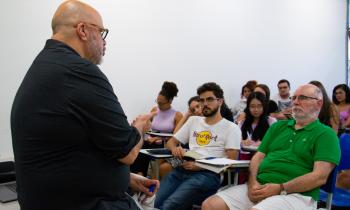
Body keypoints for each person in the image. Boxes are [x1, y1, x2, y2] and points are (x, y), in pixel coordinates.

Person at [10, 1, 159, 210]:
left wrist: (126, 178)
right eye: (102, 33)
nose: (104, 42)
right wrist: (142, 125)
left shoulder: (47, 65)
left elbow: (70, 151)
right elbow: (128, 151)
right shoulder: (78, 71)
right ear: (83, 30)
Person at [202, 84, 341, 210]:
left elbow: (319, 177)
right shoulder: (278, 127)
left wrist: (280, 188)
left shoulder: (326, 134)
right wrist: (252, 184)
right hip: (260, 186)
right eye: (294, 98)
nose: (296, 102)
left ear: (319, 103)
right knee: (210, 205)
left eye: (303, 98)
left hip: (297, 195)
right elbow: (258, 157)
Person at [154, 82, 241, 210]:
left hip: (208, 175)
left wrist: (201, 165)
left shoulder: (231, 128)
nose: (205, 103)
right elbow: (171, 142)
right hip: (182, 167)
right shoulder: (194, 121)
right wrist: (175, 149)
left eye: (210, 99)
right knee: (156, 203)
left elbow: (231, 161)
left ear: (220, 101)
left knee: (169, 206)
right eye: (202, 100)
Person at [131, 81, 183, 176]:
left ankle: (143, 179)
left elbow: (177, 137)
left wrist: (157, 138)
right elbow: (147, 127)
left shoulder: (177, 115)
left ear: (170, 101)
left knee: (145, 154)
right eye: (157, 102)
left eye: (161, 103)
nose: (159, 105)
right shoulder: (155, 110)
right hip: (151, 141)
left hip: (165, 145)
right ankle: (139, 176)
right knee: (135, 149)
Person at [159, 96, 203, 178]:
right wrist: (187, 115)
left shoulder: (212, 122)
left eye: (198, 106)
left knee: (164, 166)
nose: (196, 111)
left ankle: (156, 186)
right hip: (188, 154)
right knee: (162, 160)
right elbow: (176, 135)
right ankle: (156, 186)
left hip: (200, 157)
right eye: (193, 110)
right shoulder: (193, 121)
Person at [238, 92, 276, 183]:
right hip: (245, 158)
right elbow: (237, 141)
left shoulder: (272, 122)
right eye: (252, 106)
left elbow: (275, 142)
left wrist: (264, 143)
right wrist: (242, 141)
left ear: (264, 106)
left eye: (259, 106)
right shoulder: (242, 123)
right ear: (248, 107)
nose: (256, 109)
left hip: (264, 159)